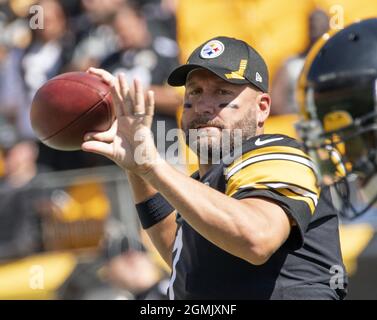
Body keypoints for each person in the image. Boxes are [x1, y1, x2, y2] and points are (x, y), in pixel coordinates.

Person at [82, 36, 347, 299]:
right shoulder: (202, 188)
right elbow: (182, 254)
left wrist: (151, 165)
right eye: (195, 92)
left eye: (223, 92)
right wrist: (136, 166)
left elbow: (256, 238)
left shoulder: (280, 153)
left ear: (262, 108)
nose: (203, 106)